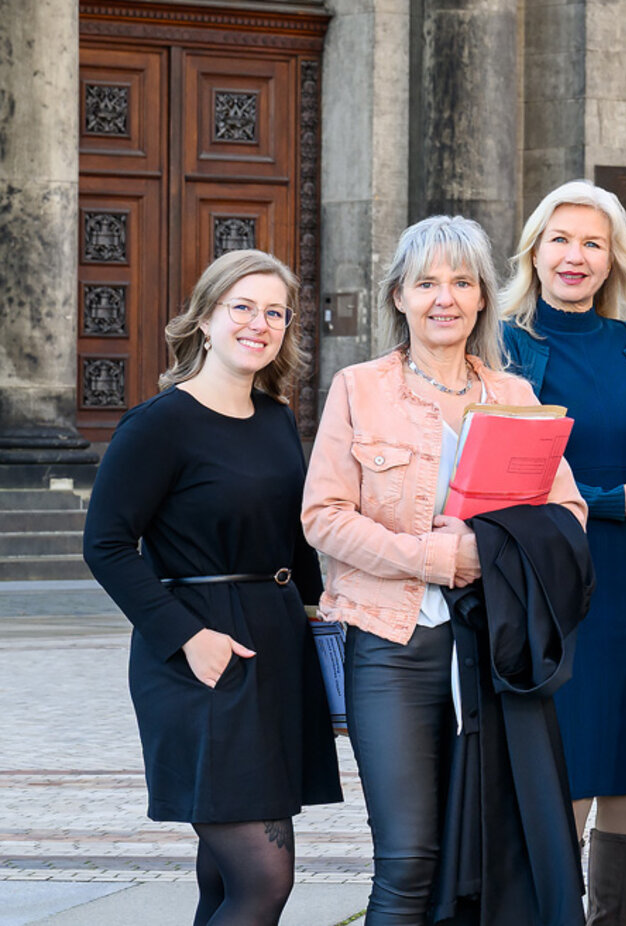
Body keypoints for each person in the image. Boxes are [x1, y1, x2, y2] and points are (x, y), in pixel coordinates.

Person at [300, 216, 588, 924]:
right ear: (398, 295)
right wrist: (435, 557)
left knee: (486, 857)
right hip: (390, 647)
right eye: (426, 282)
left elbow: (570, 516)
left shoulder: (515, 398)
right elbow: (324, 518)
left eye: (462, 282)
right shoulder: (358, 389)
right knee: (408, 860)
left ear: (484, 298)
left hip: (490, 652)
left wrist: (489, 550)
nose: (444, 299)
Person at [83, 249, 341, 926]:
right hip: (199, 652)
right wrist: (188, 638)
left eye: (276, 313)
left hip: (276, 646)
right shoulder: (158, 424)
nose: (261, 323)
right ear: (205, 318)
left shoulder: (276, 418)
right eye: (243, 307)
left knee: (224, 882)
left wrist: (326, 630)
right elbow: (106, 545)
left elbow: (293, 540)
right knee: (264, 878)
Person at [495, 179, 626, 926]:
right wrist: (608, 501)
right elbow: (500, 474)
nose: (575, 257)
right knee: (560, 762)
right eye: (560, 241)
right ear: (535, 251)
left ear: (613, 259)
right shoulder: (500, 341)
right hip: (555, 583)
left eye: (592, 243)